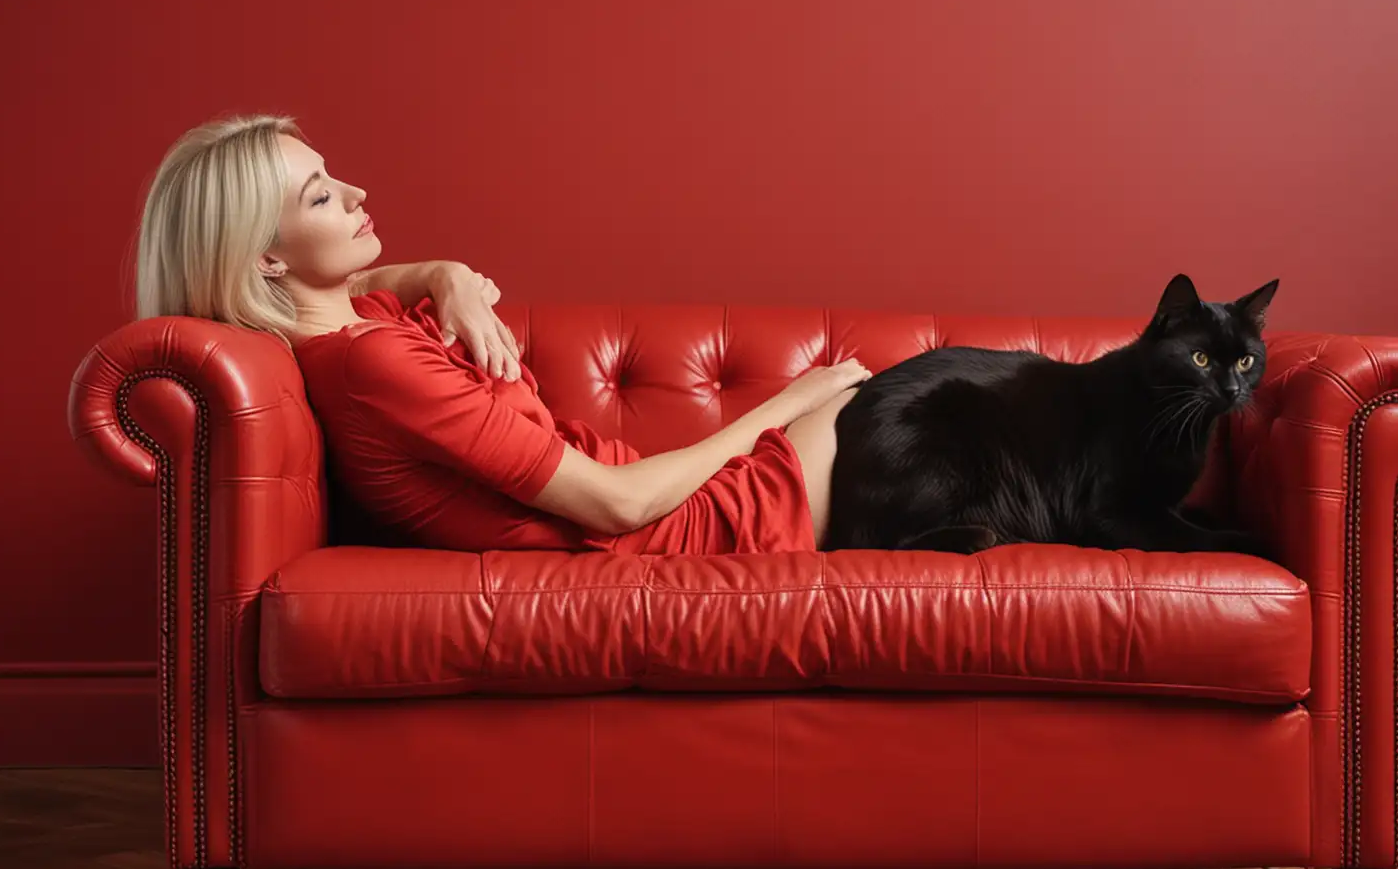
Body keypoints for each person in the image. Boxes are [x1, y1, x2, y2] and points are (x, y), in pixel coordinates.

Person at [133, 113, 870, 554]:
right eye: (322, 196)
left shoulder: (347, 325)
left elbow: (366, 283)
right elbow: (619, 505)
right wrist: (788, 402)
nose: (357, 195)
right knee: (915, 392)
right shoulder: (374, 362)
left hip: (664, 512)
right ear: (264, 256)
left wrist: (444, 274)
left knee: (937, 395)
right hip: (677, 532)